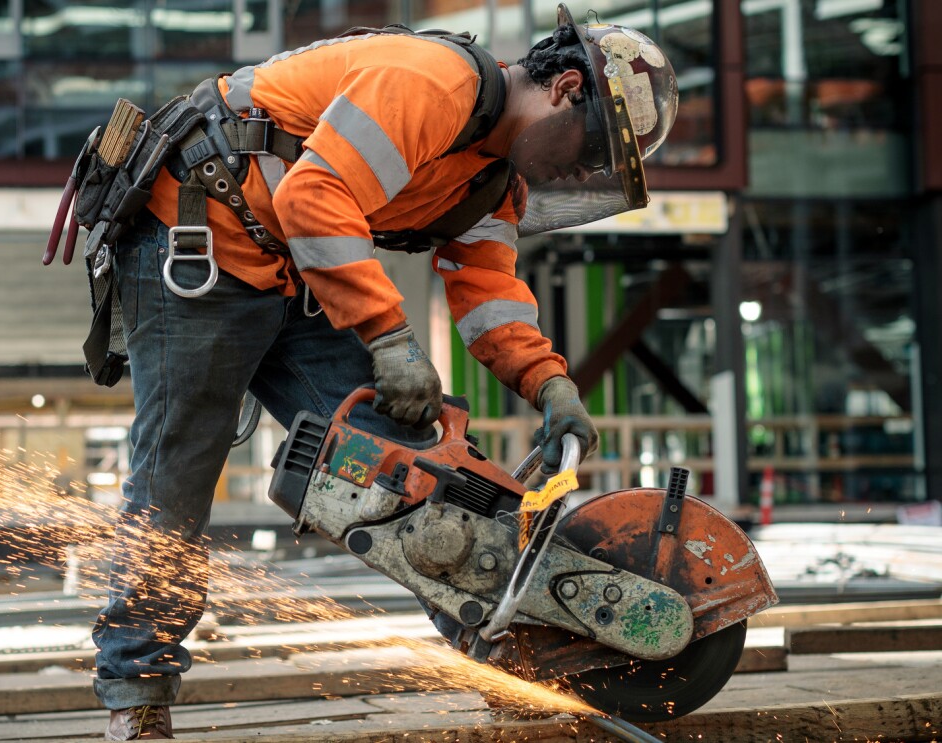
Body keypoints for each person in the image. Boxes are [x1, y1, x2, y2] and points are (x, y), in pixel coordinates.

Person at [79, 5, 679, 739]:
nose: (584, 172)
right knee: (178, 469)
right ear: (564, 89)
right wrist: (390, 337)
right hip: (198, 235)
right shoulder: (428, 84)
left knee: (419, 467)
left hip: (294, 264)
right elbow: (313, 195)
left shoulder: (493, 183)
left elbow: (489, 294)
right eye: (593, 151)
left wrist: (549, 383)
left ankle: (510, 657)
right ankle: (135, 692)